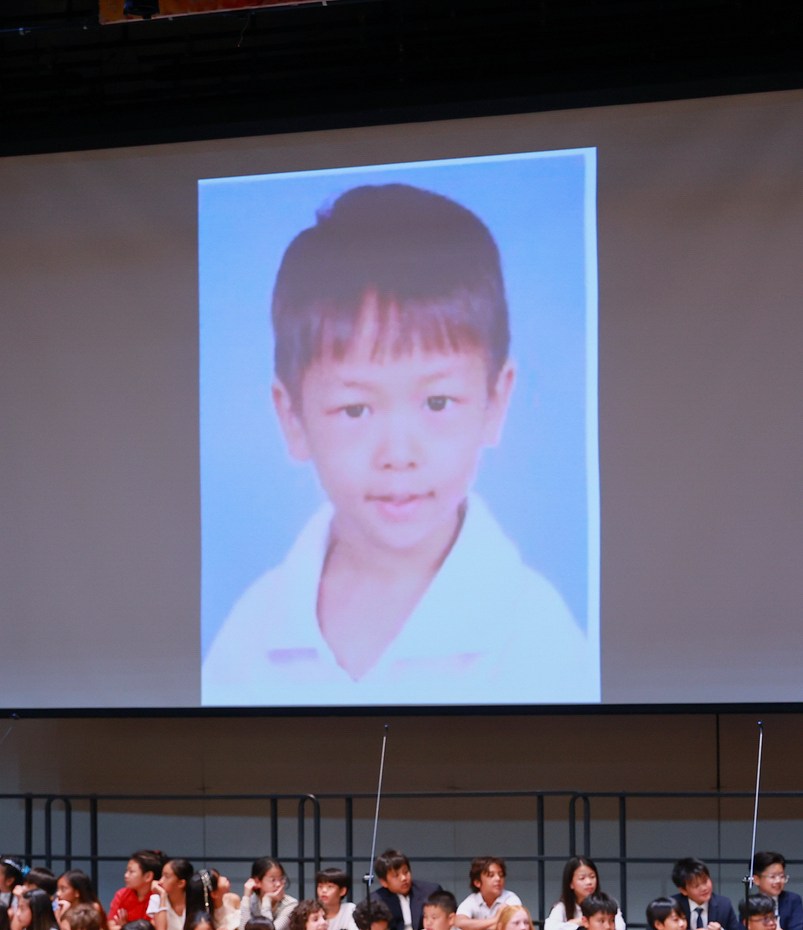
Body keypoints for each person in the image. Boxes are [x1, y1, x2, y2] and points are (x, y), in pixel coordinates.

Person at [201, 182, 594, 705]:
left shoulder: (536, 634)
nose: (398, 455)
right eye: (355, 409)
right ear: (292, 417)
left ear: (495, 403)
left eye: (436, 404)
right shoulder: (253, 626)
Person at [671, 857, 739, 930]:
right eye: (696, 886)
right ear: (683, 890)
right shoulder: (674, 905)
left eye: (705, 881)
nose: (704, 888)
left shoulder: (724, 904)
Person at [542, 856, 624, 930]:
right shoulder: (562, 906)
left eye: (592, 877)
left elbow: (619, 929)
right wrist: (581, 922)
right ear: (571, 883)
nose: (589, 882)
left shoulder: (606, 903)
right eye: (582, 878)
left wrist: (576, 923)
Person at [367, 849, 426, 930]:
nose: (404, 878)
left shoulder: (429, 891)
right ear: (384, 882)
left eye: (406, 872)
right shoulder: (375, 900)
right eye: (396, 875)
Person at [748, 852, 803, 930]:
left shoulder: (793, 900)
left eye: (781, 876)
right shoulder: (750, 903)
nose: (778, 881)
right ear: (756, 880)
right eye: (772, 876)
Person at [454, 856, 521, 930]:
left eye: (501, 875)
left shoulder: (511, 898)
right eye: (491, 875)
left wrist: (473, 927)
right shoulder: (472, 900)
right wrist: (496, 919)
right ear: (477, 883)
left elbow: (509, 927)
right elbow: (459, 923)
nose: (498, 879)